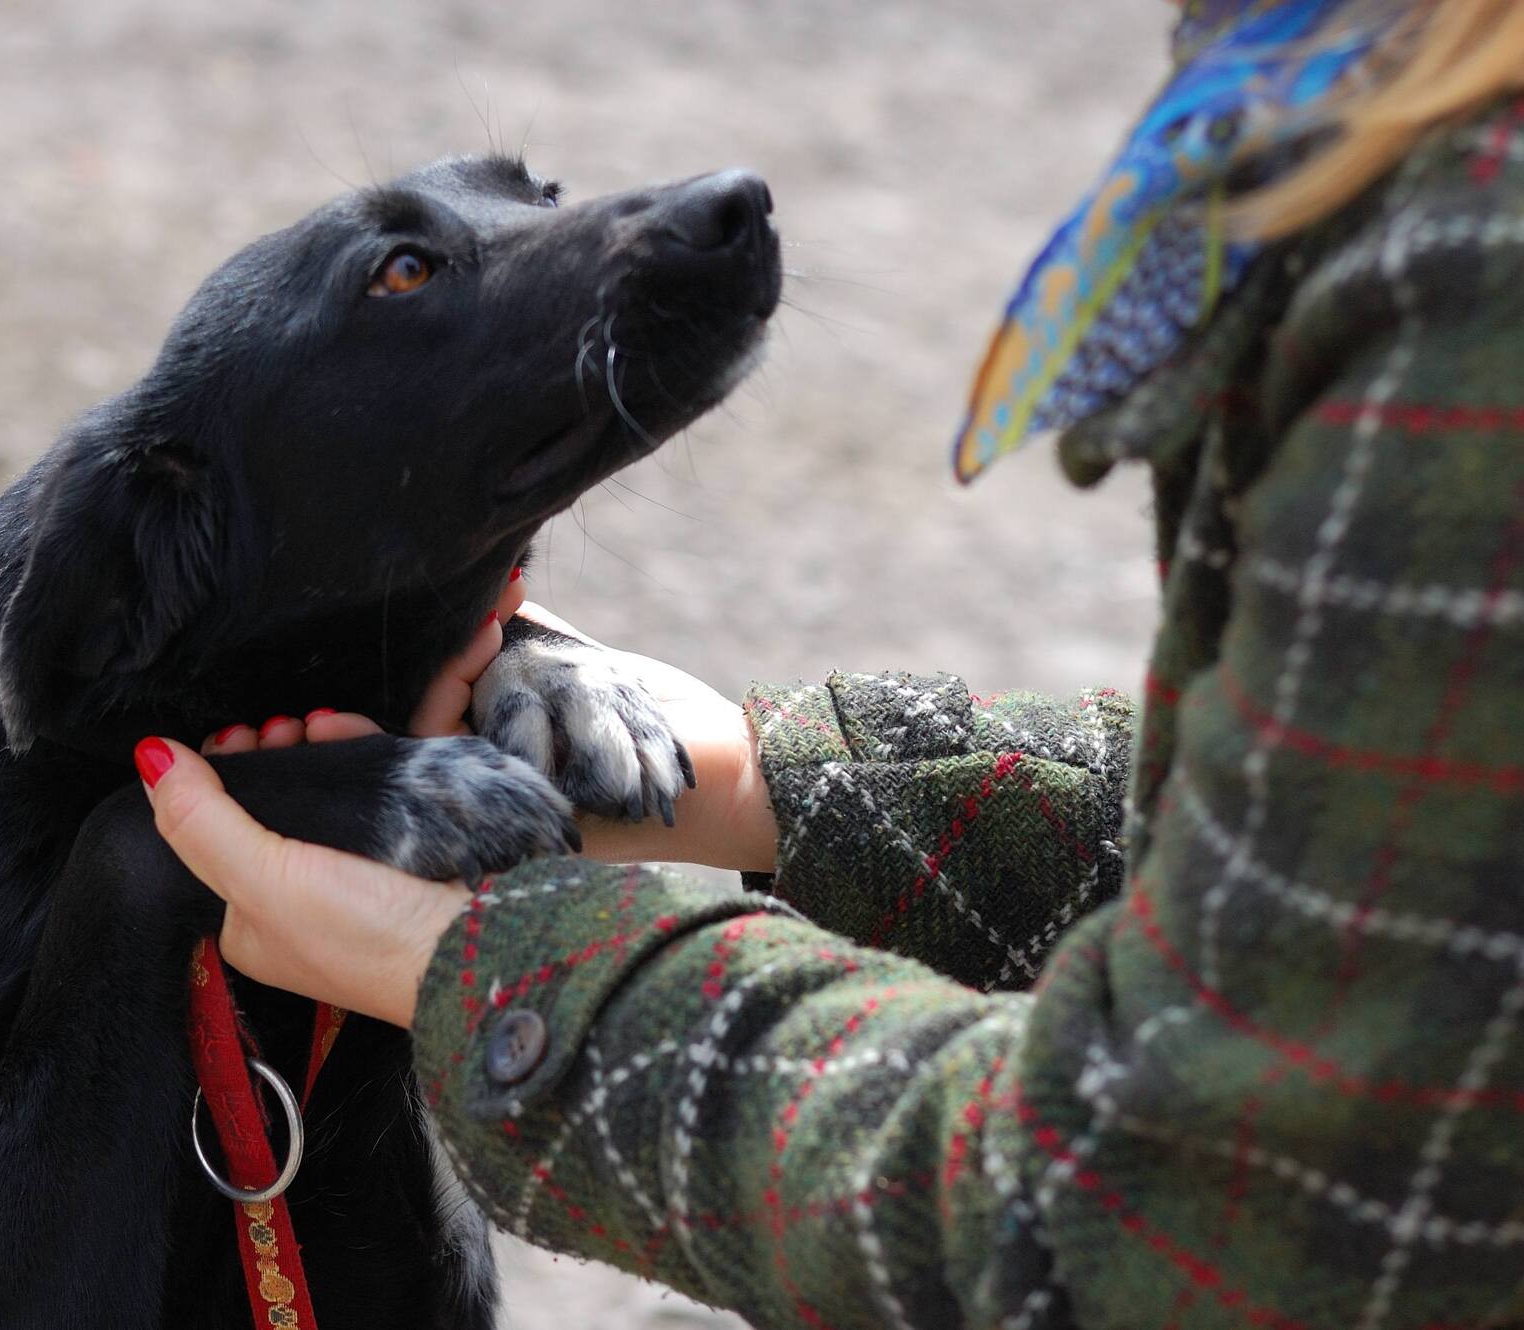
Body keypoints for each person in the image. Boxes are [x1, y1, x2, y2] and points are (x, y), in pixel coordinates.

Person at [132, 1, 1524, 1325]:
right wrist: (769, 783)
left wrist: (507, 981)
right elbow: (1407, 866)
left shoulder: (1464, 277)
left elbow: (1165, 1220)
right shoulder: (1382, 102)